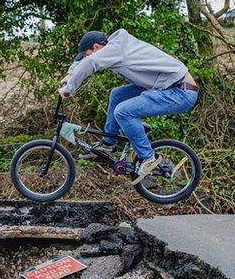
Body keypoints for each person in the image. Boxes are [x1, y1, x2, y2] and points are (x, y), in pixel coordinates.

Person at [58, 29, 198, 184]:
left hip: (180, 91)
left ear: (97, 47)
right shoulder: (114, 45)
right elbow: (83, 61)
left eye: (88, 53)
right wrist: (71, 74)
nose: (87, 57)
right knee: (117, 95)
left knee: (123, 112)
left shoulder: (114, 49)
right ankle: (108, 144)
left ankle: (148, 158)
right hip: (163, 86)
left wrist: (68, 89)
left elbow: (90, 62)